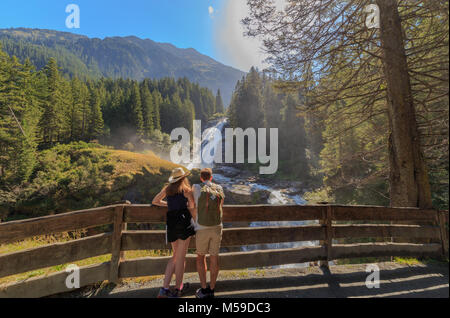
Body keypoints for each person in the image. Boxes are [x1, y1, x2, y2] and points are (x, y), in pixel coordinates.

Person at [152, 167, 196, 298]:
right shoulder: (186, 190)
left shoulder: (167, 189)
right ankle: (178, 289)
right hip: (183, 223)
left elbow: (155, 201)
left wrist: (169, 206)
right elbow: (192, 206)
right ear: (183, 178)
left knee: (175, 256)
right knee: (181, 257)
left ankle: (164, 288)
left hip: (171, 223)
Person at [192, 168, 225, 298]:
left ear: (201, 178)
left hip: (202, 227)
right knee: (214, 257)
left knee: (200, 257)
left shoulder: (196, 187)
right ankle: (212, 288)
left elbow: (191, 202)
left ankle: (204, 289)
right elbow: (221, 205)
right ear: (211, 177)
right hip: (217, 227)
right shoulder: (219, 188)